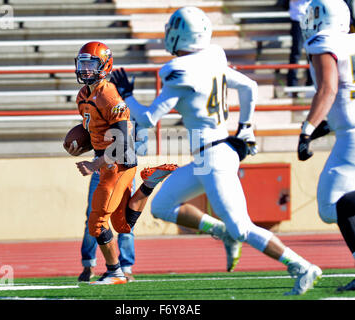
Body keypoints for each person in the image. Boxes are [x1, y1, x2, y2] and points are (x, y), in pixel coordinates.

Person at [111, 6, 322, 295]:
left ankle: (302, 266)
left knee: (243, 229)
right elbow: (249, 86)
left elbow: (147, 119)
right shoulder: (213, 58)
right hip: (209, 155)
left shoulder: (180, 72)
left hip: (214, 157)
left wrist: (127, 96)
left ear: (179, 35)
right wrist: (246, 128)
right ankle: (222, 233)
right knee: (161, 207)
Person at [64, 40, 177, 285]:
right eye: (82, 63)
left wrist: (95, 164)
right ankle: (148, 184)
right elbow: (93, 131)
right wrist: (81, 143)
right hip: (107, 163)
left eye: (91, 64)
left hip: (119, 164)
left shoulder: (108, 94)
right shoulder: (83, 95)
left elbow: (122, 141)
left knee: (97, 223)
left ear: (105, 64)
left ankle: (115, 271)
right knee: (122, 224)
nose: (85, 69)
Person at [297, 0, 355, 291]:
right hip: (348, 131)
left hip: (351, 137)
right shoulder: (350, 42)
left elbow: (329, 88)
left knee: (334, 205)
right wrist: (324, 128)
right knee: (339, 205)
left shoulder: (324, 40)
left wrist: (307, 130)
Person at [76, 120, 148, 283]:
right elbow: (88, 134)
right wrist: (78, 144)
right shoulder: (99, 107)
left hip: (124, 168)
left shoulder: (124, 111)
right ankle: (89, 264)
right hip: (102, 169)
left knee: (125, 221)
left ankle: (126, 267)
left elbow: (138, 140)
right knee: (93, 218)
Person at [287, 0, 313, 89]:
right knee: (296, 52)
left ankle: (311, 82)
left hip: (311, 19)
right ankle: (292, 84)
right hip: (298, 18)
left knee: (311, 52)